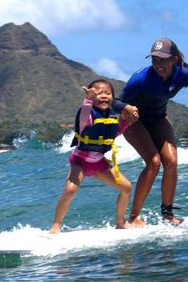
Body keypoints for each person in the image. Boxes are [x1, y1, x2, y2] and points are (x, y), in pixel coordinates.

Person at [112, 38, 188, 226]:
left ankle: (167, 215)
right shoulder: (141, 78)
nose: (158, 65)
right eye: (155, 60)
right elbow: (115, 102)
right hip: (134, 121)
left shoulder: (185, 74)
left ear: (175, 59)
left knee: (171, 161)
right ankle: (135, 216)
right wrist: (126, 108)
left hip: (159, 118)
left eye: (163, 60)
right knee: (154, 162)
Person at [49, 79, 133, 234]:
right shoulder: (86, 115)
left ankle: (120, 222)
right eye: (98, 93)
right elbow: (83, 116)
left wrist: (127, 122)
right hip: (80, 161)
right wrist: (87, 100)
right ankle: (56, 224)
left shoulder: (112, 115)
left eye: (107, 93)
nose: (103, 96)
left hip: (99, 163)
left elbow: (115, 132)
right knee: (70, 190)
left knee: (126, 187)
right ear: (90, 96)